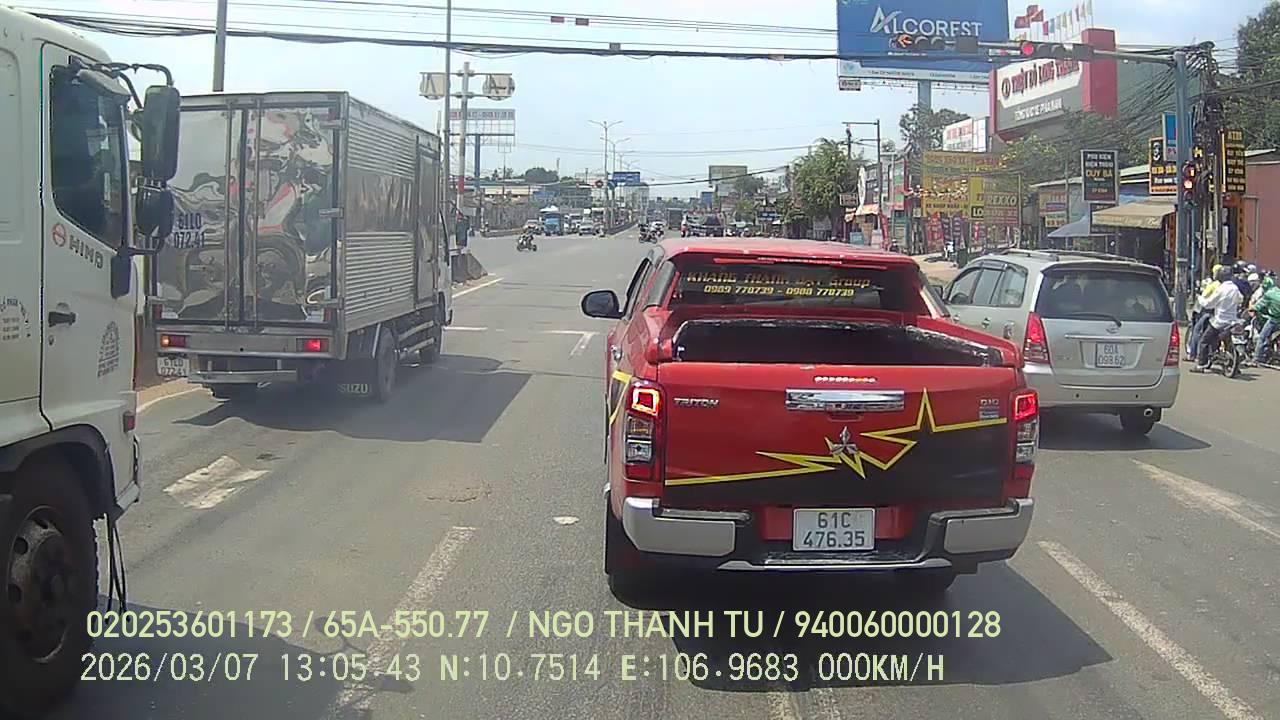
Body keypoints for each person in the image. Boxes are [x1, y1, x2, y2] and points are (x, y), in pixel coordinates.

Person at [1193, 265, 1244, 372]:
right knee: (1228, 341)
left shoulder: (1221, 289)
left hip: (1220, 321)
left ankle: (1201, 365)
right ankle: (1234, 364)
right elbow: (1240, 299)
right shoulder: (1235, 288)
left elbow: (1208, 304)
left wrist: (1200, 298)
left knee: (1204, 341)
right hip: (1233, 321)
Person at [1187, 264, 1223, 360]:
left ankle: (1192, 354)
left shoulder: (1214, 285)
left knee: (1197, 331)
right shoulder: (1226, 286)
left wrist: (1199, 297)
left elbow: (1204, 296)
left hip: (1208, 311)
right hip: (1219, 312)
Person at [1251, 274, 1280, 365]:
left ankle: (1257, 358)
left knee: (1262, 338)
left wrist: (1252, 308)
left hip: (1274, 319)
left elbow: (1258, 305)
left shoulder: (1268, 294)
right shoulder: (1277, 291)